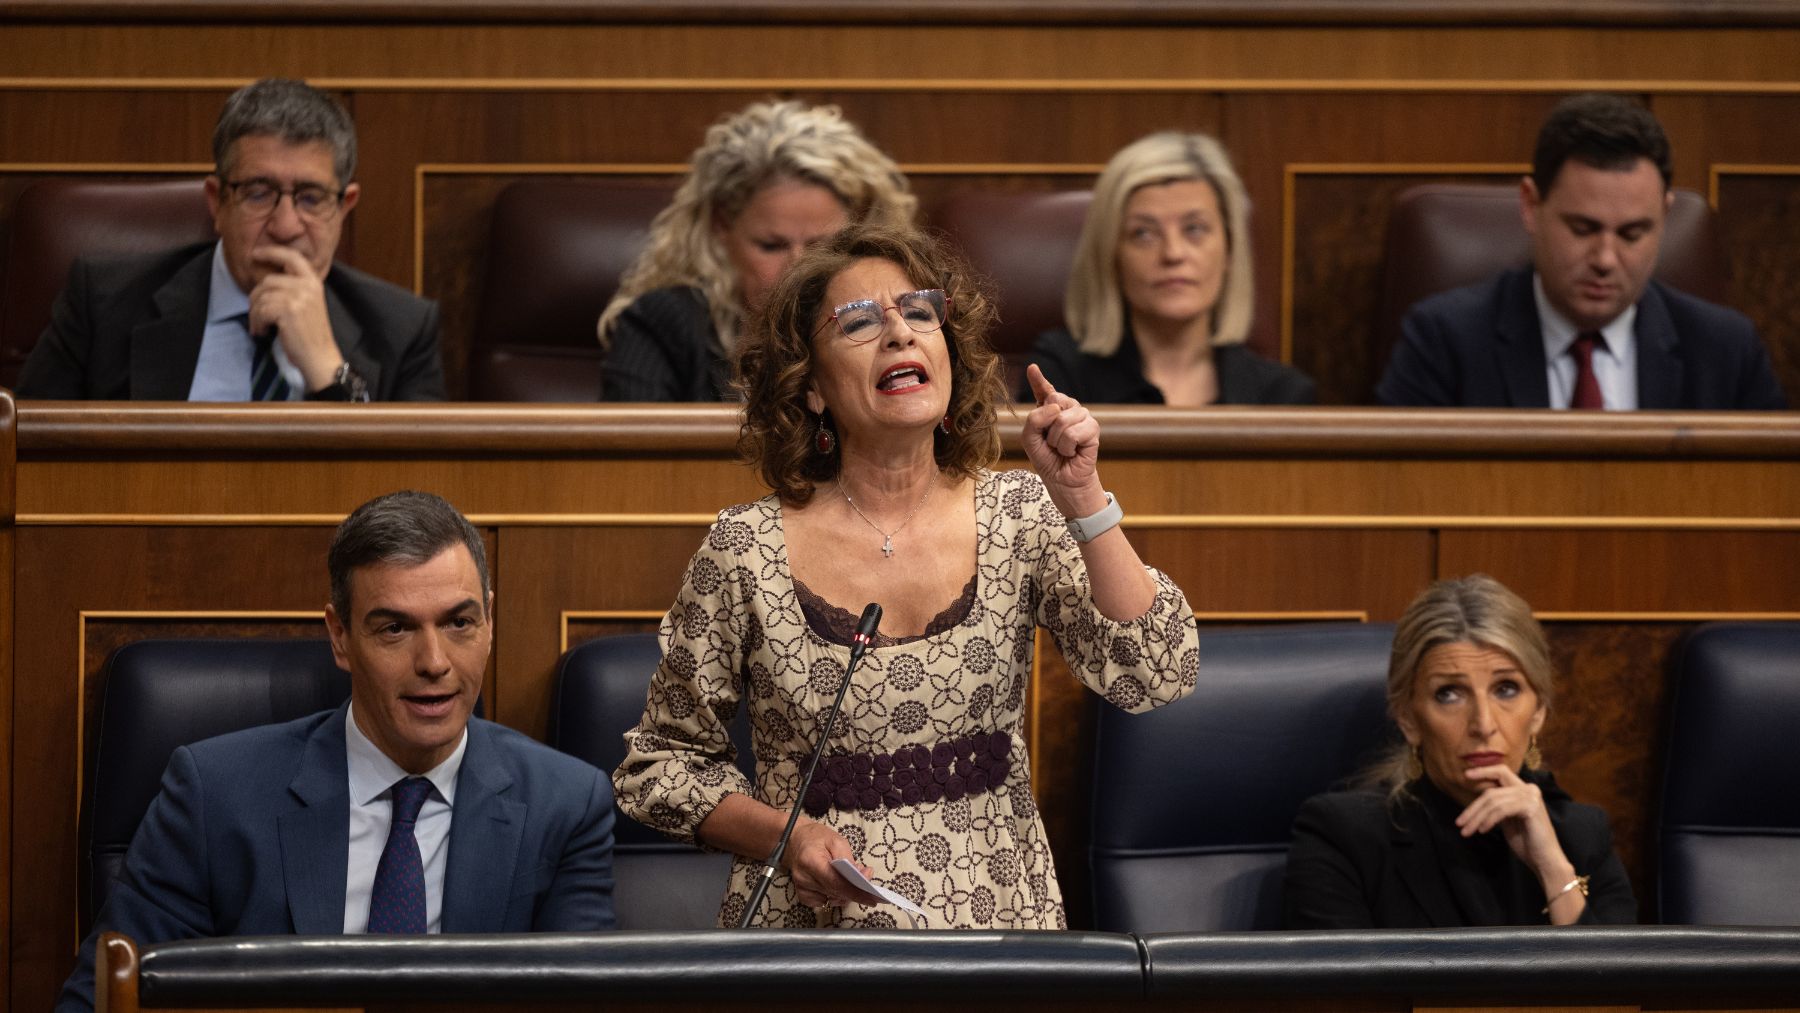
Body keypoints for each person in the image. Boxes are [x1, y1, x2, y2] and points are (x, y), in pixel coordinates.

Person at [612, 223, 1200, 929]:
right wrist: (787, 836)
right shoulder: (745, 548)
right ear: (813, 387)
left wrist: (1083, 497)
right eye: (859, 321)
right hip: (812, 940)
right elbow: (659, 767)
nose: (899, 332)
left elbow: (1154, 672)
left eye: (919, 312)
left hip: (999, 933)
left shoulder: (1021, 513)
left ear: (947, 355)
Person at [56, 491, 615, 1013]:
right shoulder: (213, 793)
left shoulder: (564, 804)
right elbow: (103, 997)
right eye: (395, 628)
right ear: (340, 636)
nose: (435, 662)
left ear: (489, 622)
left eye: (459, 623)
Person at [18, 78, 445, 402]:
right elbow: (25, 459)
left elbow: (410, 505)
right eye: (258, 193)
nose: (285, 225)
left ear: (344, 207)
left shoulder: (403, 331)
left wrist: (330, 371)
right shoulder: (104, 303)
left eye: (311, 198)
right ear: (217, 202)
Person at [1377, 93, 1785, 410]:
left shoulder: (1727, 353)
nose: (1605, 260)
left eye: (1632, 233)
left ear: (1664, 216)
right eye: (1583, 229)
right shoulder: (1445, 343)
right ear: (1531, 205)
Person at [1282, 574, 1635, 929]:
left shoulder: (1582, 835)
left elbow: (1615, 983)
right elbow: (1340, 984)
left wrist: (1552, 868)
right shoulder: (1344, 837)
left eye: (1506, 689)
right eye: (1449, 693)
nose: (1483, 724)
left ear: (1538, 711)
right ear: (1408, 719)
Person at [597, 99, 916, 402]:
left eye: (822, 246)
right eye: (772, 246)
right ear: (721, 226)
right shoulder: (665, 322)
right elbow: (628, 455)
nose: (799, 267)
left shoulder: (899, 325)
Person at [1024, 131, 1314, 405]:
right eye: (1144, 233)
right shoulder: (1057, 378)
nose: (1173, 253)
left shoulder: (1283, 396)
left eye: (1195, 229)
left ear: (1230, 251)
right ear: (1111, 255)